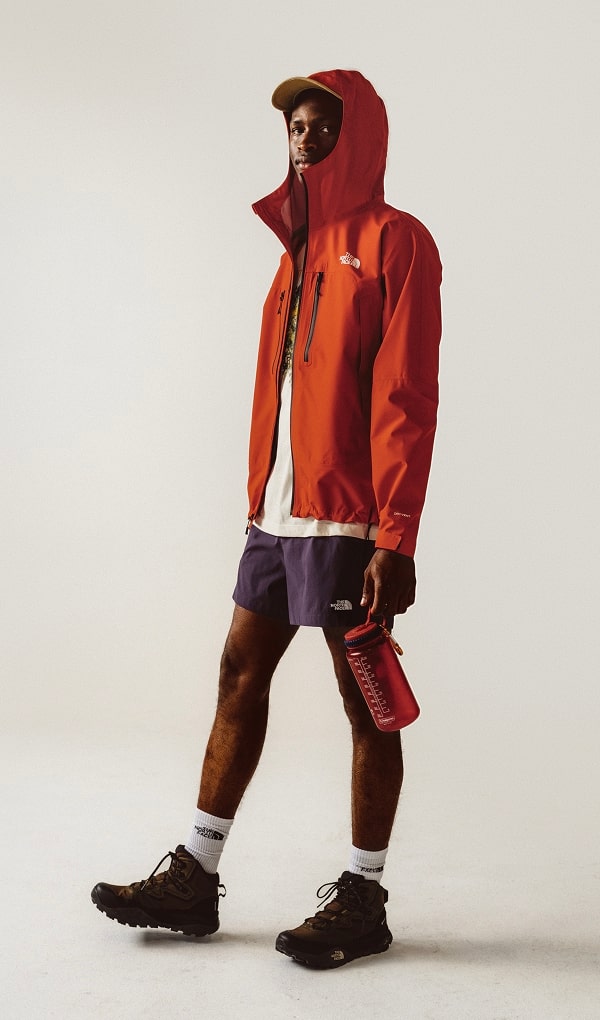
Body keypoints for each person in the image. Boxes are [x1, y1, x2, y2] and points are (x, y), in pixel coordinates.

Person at [91, 69, 442, 970]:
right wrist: (261, 495)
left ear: (357, 134)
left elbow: (406, 396)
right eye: (294, 124)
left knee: (367, 703)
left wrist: (394, 535)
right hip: (279, 514)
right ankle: (195, 876)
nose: (302, 138)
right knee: (238, 671)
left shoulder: (396, 242)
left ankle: (364, 895)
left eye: (321, 125)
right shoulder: (298, 248)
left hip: (350, 522)